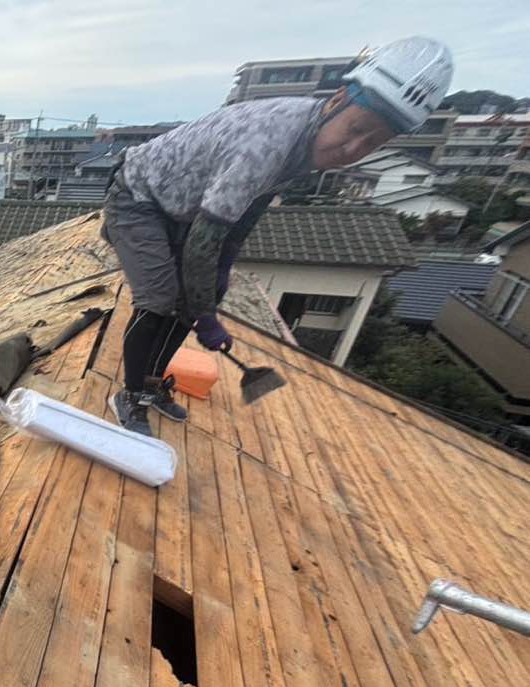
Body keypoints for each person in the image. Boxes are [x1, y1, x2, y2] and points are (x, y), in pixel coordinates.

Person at [102, 36, 454, 436]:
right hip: (139, 196)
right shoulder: (270, 141)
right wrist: (205, 313)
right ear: (338, 100)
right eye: (355, 129)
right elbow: (204, 240)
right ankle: (129, 396)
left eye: (372, 142)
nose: (353, 148)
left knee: (197, 297)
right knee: (160, 299)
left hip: (185, 204)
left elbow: (246, 213)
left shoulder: (306, 139)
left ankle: (151, 384)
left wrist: (218, 280)